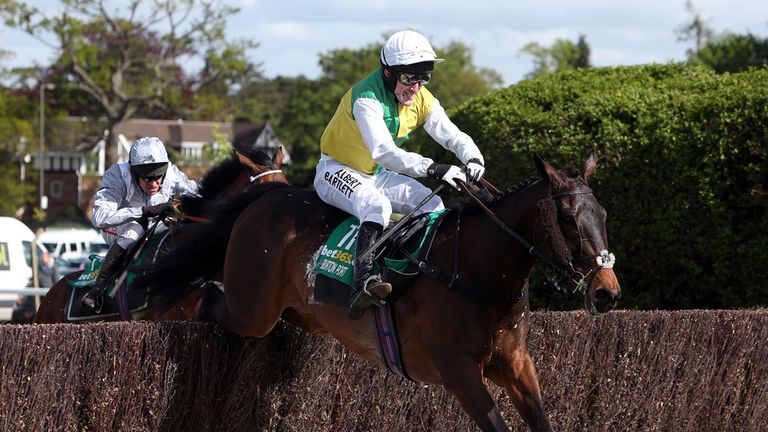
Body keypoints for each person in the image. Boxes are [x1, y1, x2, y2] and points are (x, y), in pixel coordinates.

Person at [314, 30, 486, 320]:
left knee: (433, 206)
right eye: (408, 78)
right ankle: (363, 282)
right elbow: (384, 152)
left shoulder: (421, 98)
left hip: (375, 174)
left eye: (423, 78)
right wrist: (434, 168)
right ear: (387, 73)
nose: (416, 87)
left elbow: (451, 134)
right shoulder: (366, 99)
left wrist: (472, 156)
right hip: (336, 169)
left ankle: (416, 273)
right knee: (376, 207)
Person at [81, 136, 198, 311]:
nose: (154, 183)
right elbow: (99, 217)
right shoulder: (118, 176)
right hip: (118, 226)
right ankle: (95, 291)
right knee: (133, 232)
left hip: (157, 221)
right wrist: (142, 211)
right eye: (147, 178)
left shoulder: (173, 175)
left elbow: (199, 195)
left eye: (158, 176)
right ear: (134, 172)